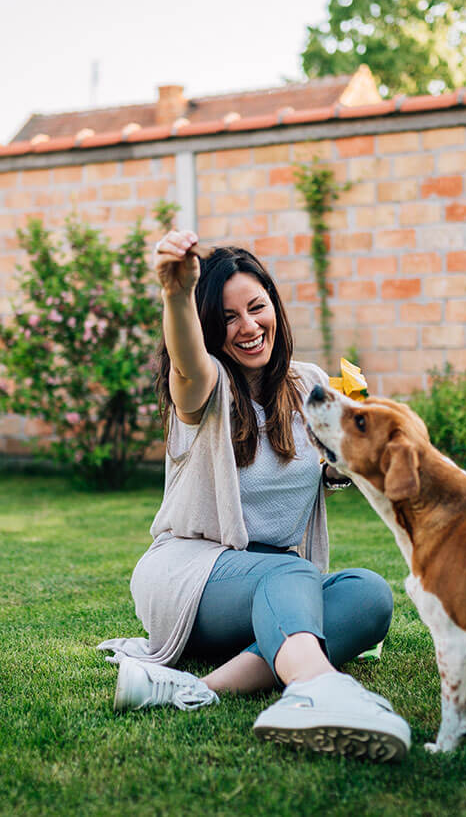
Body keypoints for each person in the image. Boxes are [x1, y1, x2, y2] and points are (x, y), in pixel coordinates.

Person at [98, 230, 410, 763]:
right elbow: (187, 367)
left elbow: (336, 469)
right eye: (226, 318)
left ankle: (197, 689)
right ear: (207, 329)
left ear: (275, 308)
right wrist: (176, 295)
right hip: (190, 578)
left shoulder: (307, 383)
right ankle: (318, 689)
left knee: (370, 595)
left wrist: (349, 459)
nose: (247, 327)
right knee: (291, 573)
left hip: (267, 588)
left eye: (256, 307)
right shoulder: (208, 387)